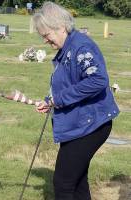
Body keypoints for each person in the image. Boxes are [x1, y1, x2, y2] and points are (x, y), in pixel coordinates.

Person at [33, 2, 119, 200]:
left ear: (61, 27)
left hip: (91, 125)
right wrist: (50, 101)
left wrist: (59, 99)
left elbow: (98, 80)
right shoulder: (68, 48)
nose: (45, 40)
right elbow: (67, 83)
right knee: (77, 181)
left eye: (46, 35)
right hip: (80, 123)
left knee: (63, 183)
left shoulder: (81, 46)